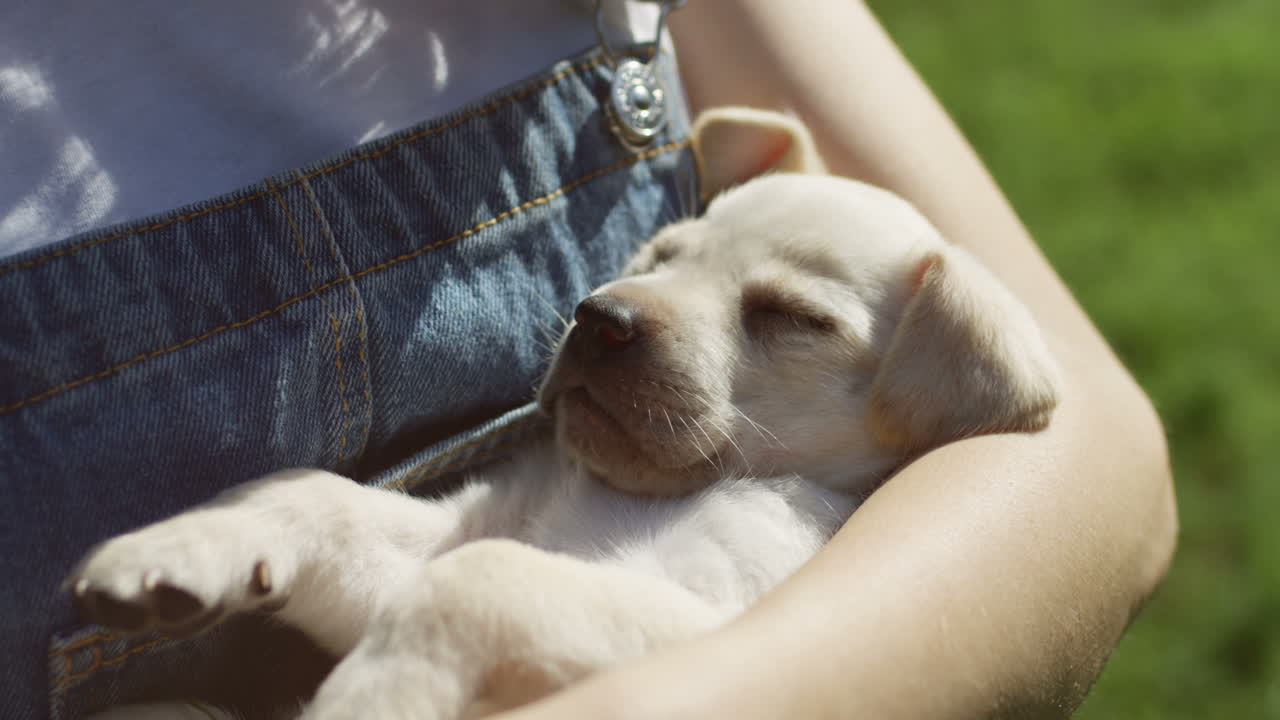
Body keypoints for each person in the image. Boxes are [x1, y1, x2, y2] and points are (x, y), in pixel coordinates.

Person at [0, 1, 1175, 718]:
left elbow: (1085, 449)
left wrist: (472, 610)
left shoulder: (802, 526)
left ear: (930, 387)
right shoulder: (605, 483)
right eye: (663, 254)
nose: (623, 308)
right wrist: (297, 528)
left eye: (784, 317)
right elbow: (427, 553)